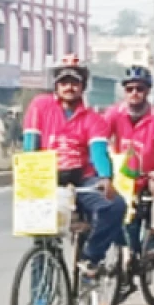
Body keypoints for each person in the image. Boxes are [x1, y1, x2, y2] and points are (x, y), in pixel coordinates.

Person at [22, 54, 126, 280]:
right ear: (56, 86)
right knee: (43, 241)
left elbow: (98, 151)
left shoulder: (93, 119)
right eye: (64, 82)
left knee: (115, 206)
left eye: (75, 82)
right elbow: (31, 143)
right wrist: (29, 178)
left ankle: (91, 256)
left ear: (83, 86)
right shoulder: (40, 106)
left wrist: (106, 177)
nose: (69, 87)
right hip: (45, 177)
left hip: (82, 181)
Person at [106, 66, 154, 272]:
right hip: (124, 176)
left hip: (149, 172)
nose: (134, 93)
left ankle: (153, 235)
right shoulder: (114, 113)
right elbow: (99, 138)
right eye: (130, 88)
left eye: (139, 89)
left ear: (147, 91)